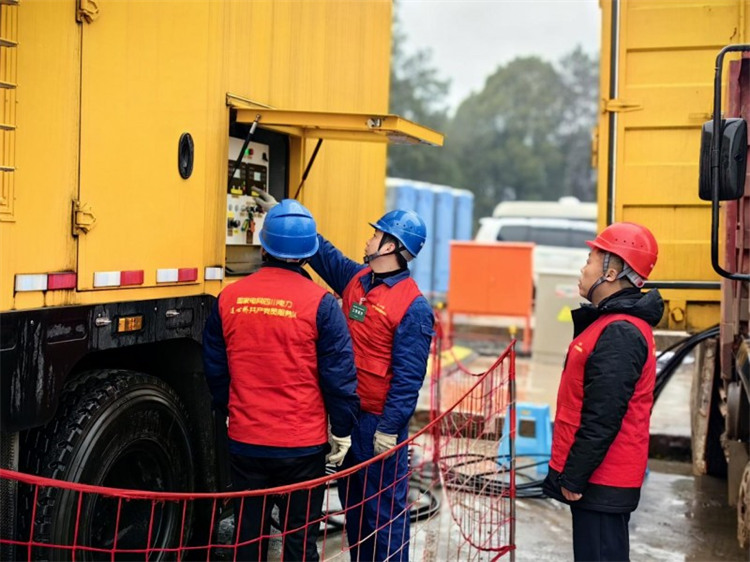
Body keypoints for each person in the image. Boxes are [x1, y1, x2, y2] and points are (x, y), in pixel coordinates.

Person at [254, 191, 434, 561]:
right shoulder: (358, 279)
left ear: (391, 246)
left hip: (378, 428)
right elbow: (324, 254)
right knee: (356, 514)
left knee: (383, 518)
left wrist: (389, 428)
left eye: (376, 234)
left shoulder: (413, 307)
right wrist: (286, 217)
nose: (368, 239)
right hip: (350, 420)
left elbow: (408, 377)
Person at [202, 199, 360, 562]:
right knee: (298, 538)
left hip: (246, 442)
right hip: (301, 447)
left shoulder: (229, 298)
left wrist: (231, 408)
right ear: (307, 255)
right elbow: (339, 378)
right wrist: (342, 430)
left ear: (263, 247)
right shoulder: (321, 305)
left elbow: (214, 367)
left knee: (247, 536)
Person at [542, 221, 664, 562]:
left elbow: (603, 416)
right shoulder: (609, 323)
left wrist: (576, 477)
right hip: (600, 477)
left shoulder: (620, 332)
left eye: (590, 260)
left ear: (611, 273)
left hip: (602, 479)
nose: (583, 268)